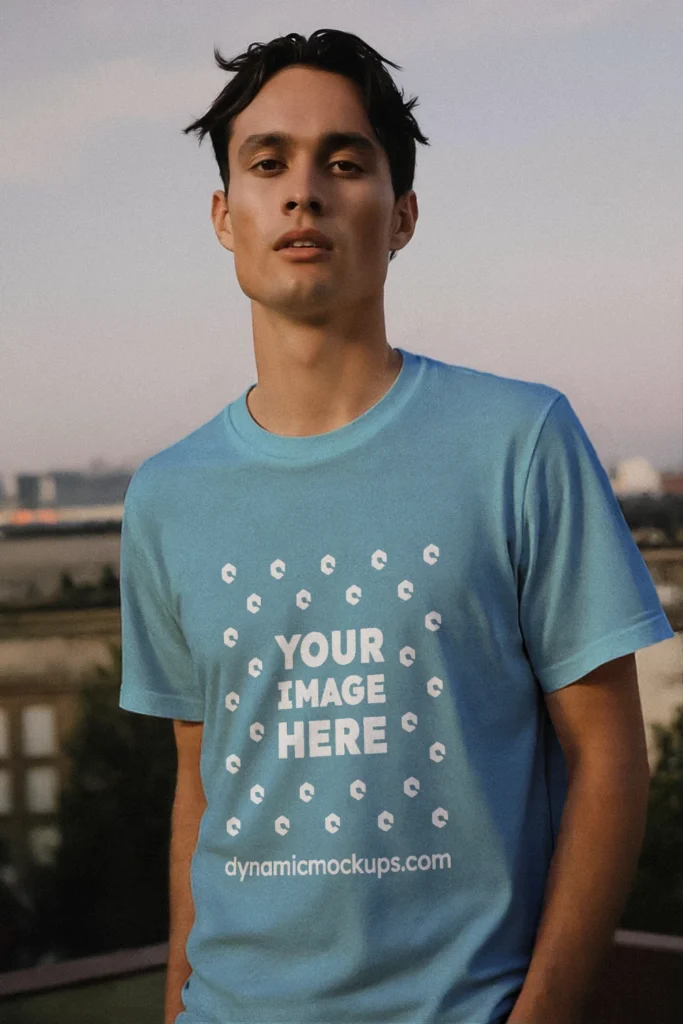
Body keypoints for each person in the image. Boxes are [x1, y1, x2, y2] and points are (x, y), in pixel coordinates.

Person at [118, 28, 674, 1024]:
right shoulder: (167, 494)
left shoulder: (519, 439)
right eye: (267, 163)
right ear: (223, 214)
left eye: (343, 161)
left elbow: (606, 757)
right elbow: (200, 790)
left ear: (402, 213)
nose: (302, 192)